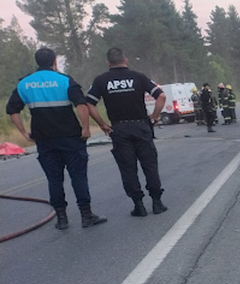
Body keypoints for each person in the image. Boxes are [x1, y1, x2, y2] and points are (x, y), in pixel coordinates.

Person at [5, 47, 107, 230]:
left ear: (37, 62)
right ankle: (86, 215)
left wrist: (24, 133)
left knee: (54, 179)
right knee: (78, 176)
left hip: (44, 140)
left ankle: (61, 219)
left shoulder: (24, 84)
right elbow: (81, 105)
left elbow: (12, 110)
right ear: (54, 62)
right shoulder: (65, 80)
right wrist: (85, 128)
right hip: (70, 137)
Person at [86, 47, 168, 217]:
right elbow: (161, 96)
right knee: (149, 165)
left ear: (108, 63)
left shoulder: (101, 80)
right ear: (126, 60)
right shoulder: (138, 77)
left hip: (119, 128)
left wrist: (101, 124)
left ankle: (138, 205)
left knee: (128, 168)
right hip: (141, 126)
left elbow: (89, 103)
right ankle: (157, 203)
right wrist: (155, 115)